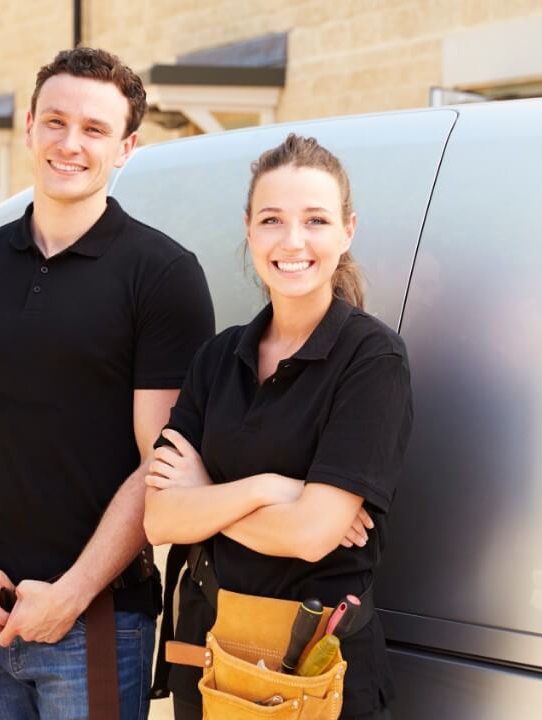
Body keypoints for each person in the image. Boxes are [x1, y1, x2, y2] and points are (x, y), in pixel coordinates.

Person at [0, 47, 215, 720]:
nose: (70, 143)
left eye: (95, 129)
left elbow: (159, 463)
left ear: (127, 147)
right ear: (28, 127)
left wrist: (71, 594)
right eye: (55, 121)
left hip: (99, 624)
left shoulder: (162, 276)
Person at [143, 134, 413, 720]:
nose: (293, 241)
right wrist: (271, 488)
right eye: (272, 220)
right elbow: (161, 517)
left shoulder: (372, 360)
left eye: (315, 220)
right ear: (249, 230)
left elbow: (313, 535)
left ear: (347, 231)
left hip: (315, 669)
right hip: (208, 655)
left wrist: (206, 499)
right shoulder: (216, 359)